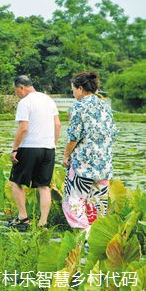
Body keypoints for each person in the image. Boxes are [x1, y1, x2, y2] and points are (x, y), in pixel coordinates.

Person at [62, 71, 117, 234]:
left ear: (80, 88)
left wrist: (66, 156)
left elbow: (73, 136)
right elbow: (112, 133)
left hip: (83, 165)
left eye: (73, 89)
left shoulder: (79, 106)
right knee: (98, 203)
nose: (73, 93)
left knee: (74, 201)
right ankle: (94, 237)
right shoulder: (105, 106)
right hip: (104, 165)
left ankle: (82, 234)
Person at [6, 75, 61, 229]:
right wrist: (52, 143)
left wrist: (15, 149)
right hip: (48, 148)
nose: (17, 93)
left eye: (16, 90)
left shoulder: (25, 102)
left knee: (15, 182)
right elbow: (57, 125)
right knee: (44, 186)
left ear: (21, 87)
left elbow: (23, 127)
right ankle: (43, 223)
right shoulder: (48, 100)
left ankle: (23, 218)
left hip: (29, 147)